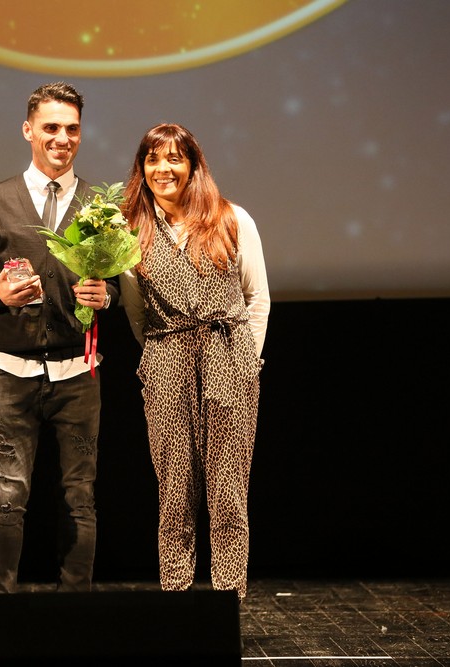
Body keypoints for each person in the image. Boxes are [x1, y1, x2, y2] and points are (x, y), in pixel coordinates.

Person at [0, 82, 117, 657]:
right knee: (6, 497)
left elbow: (120, 285)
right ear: (28, 130)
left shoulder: (102, 207)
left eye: (71, 128)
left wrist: (107, 295)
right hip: (8, 371)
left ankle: (75, 621)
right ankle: (0, 622)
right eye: (50, 127)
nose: (61, 139)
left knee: (80, 499)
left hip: (79, 370)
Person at [119, 123, 270, 603]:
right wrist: (159, 354)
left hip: (230, 357)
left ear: (192, 165)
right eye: (153, 160)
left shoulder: (231, 218)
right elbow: (135, 312)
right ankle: (177, 604)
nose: (163, 169)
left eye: (174, 159)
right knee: (175, 492)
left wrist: (247, 360)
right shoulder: (129, 231)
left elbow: (257, 298)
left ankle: (227, 602)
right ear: (142, 169)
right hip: (166, 358)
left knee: (228, 493)